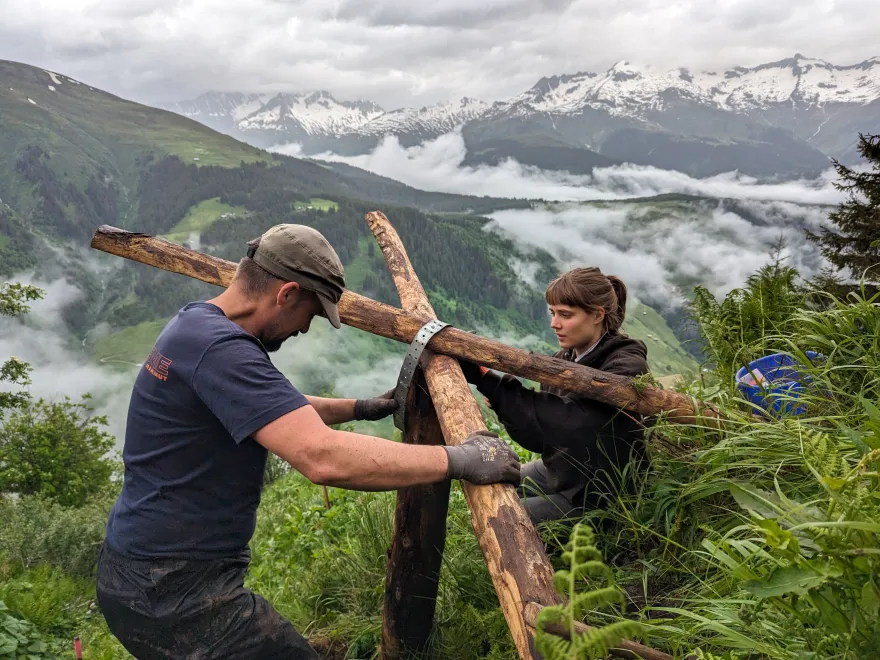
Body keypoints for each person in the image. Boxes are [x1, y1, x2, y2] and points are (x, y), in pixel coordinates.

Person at [96, 223, 521, 659]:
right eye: (311, 314)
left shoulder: (197, 325)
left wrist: (358, 407)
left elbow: (274, 406)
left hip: (140, 571)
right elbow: (323, 457)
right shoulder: (222, 350)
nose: (304, 330)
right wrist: (461, 460)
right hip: (173, 592)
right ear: (286, 294)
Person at [459, 267, 649, 525]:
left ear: (597, 314)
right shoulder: (562, 362)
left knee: (505, 518)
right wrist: (499, 398)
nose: (554, 323)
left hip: (597, 494)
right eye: (553, 313)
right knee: (492, 478)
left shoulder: (625, 364)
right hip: (563, 471)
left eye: (565, 315)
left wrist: (494, 385)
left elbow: (574, 423)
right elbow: (541, 439)